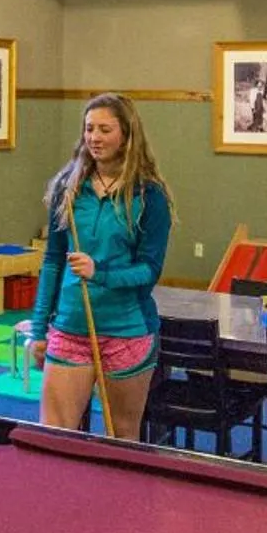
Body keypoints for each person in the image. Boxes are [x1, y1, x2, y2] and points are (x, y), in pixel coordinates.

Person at [24, 93, 172, 441]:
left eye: (105, 129)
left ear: (126, 134)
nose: (95, 137)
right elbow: (52, 262)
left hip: (128, 331)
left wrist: (99, 273)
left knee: (121, 440)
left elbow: (149, 271)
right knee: (53, 438)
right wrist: (39, 329)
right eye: (89, 129)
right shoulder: (69, 188)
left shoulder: (150, 196)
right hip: (71, 325)